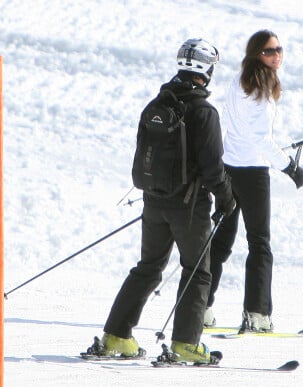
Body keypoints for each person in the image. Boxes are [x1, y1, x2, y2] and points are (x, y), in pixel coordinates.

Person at [88, 38, 236, 363]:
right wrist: (227, 198)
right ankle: (186, 343)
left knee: (149, 267)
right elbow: (213, 168)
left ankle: (116, 335)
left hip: (154, 202)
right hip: (190, 205)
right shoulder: (203, 112)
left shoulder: (157, 104)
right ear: (205, 71)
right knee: (197, 270)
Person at [203, 30, 303, 332]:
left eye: (279, 48)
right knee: (259, 243)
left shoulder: (239, 80)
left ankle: (200, 307)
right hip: (252, 174)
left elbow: (242, 131)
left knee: (220, 241)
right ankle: (257, 315)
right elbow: (261, 140)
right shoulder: (259, 87)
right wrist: (291, 168)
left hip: (229, 169)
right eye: (269, 51)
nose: (276, 55)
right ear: (255, 55)